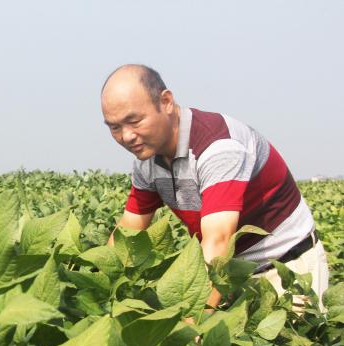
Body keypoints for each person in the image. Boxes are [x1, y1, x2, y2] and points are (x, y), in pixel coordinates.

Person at [100, 64, 329, 310]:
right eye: (114, 127)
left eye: (134, 121)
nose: (126, 136)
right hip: (229, 277)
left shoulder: (218, 147)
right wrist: (98, 289)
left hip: (287, 271)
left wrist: (192, 322)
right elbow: (127, 234)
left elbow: (218, 242)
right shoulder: (147, 161)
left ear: (166, 102)